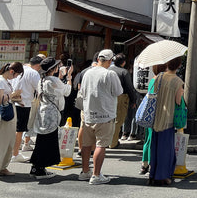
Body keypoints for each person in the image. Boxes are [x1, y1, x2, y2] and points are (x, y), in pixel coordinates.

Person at [78, 49, 123, 185]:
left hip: (88, 113)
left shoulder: (87, 73)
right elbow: (118, 92)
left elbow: (82, 91)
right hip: (105, 114)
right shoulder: (110, 74)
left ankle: (85, 172)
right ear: (110, 61)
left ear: (98, 59)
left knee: (86, 145)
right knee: (101, 145)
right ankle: (96, 175)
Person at [29, 58, 73, 179]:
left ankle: (36, 166)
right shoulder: (53, 80)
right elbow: (67, 91)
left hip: (42, 112)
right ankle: (40, 168)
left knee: (41, 141)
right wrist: (68, 77)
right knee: (48, 142)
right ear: (53, 68)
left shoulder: (42, 80)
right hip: (52, 114)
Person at [148, 56, 184, 186]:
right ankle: (163, 176)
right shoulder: (177, 81)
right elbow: (178, 101)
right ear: (179, 65)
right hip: (168, 118)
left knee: (155, 147)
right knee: (166, 149)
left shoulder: (158, 77)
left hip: (156, 117)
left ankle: (153, 174)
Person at [10, 54, 42, 163]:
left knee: (12, 129)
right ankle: (14, 154)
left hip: (11, 102)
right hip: (24, 104)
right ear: (38, 65)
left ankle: (11, 153)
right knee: (19, 130)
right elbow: (40, 89)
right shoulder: (33, 73)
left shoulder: (18, 70)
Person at [108, 53, 137, 149]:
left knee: (107, 120)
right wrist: (133, 100)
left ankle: (105, 140)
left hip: (107, 96)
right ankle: (113, 142)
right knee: (118, 120)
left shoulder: (107, 70)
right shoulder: (124, 72)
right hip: (120, 97)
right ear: (123, 62)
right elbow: (129, 87)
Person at [140, 64, 164, 175]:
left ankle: (144, 164)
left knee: (147, 139)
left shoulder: (152, 80)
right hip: (156, 114)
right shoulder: (160, 81)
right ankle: (150, 163)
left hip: (148, 113)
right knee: (152, 140)